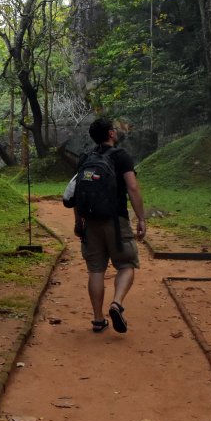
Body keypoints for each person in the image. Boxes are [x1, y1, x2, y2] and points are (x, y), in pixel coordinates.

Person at [74, 117, 146, 334]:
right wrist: (141, 218)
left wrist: (79, 222)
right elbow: (132, 188)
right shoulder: (121, 156)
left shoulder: (85, 158)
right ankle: (116, 303)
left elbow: (78, 193)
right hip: (116, 221)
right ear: (111, 134)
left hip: (91, 222)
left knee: (95, 270)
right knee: (126, 265)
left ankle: (98, 320)